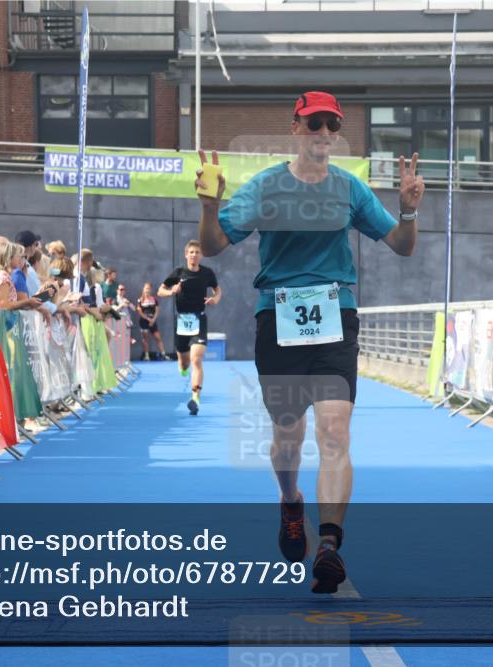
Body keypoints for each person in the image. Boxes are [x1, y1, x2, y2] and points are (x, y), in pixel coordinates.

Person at [195, 91, 423, 593]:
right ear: (295, 128)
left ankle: (329, 546)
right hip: (278, 322)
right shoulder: (266, 186)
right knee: (288, 436)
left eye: (331, 125)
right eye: (314, 124)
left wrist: (407, 212)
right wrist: (209, 209)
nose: (323, 133)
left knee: (336, 432)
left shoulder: (350, 189)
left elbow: (403, 248)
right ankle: (291, 501)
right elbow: (213, 245)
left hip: (335, 317)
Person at [158, 240, 221, 415]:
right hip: (182, 321)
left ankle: (195, 398)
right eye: (191, 252)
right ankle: (182, 367)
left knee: (196, 359)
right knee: (185, 363)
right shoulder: (178, 273)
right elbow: (160, 291)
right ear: (186, 254)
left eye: (197, 252)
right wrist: (172, 292)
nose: (194, 255)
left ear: (201, 255)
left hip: (199, 319)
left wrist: (215, 298)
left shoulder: (207, 273)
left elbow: (218, 290)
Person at [0, 241, 43, 311]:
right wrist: (27, 301)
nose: (22, 259)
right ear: (8, 258)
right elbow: (2, 305)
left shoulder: (5, 276)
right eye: (19, 255)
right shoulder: (1, 277)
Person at [136, 282, 168, 361]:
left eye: (149, 289)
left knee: (158, 337)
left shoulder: (154, 299)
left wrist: (153, 319)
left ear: (150, 290)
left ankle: (163, 354)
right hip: (144, 321)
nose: (147, 290)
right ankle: (147, 356)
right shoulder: (140, 300)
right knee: (145, 338)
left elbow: (157, 311)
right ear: (143, 289)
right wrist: (148, 319)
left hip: (153, 321)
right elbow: (139, 312)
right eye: (146, 288)